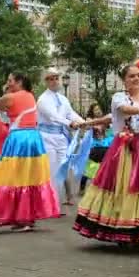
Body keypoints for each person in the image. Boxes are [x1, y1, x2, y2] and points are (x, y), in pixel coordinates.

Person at [74, 60, 139, 246]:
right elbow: (123, 111)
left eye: (138, 75)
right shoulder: (119, 97)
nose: (136, 79)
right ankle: (123, 229)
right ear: (124, 80)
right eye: (131, 76)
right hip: (125, 148)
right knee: (124, 186)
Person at [0, 73, 60, 232]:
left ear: (19, 82)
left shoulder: (10, 97)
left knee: (15, 177)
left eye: (10, 81)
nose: (8, 83)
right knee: (30, 177)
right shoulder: (30, 95)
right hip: (34, 138)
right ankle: (27, 217)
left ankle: (22, 218)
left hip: (19, 139)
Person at [37, 68, 84, 215]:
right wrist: (69, 123)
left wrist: (84, 122)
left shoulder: (63, 99)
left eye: (56, 78)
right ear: (46, 81)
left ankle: (55, 203)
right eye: (51, 78)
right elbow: (54, 116)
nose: (54, 81)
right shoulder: (43, 99)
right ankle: (49, 205)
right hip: (47, 137)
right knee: (52, 169)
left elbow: (71, 113)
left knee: (63, 169)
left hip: (61, 137)